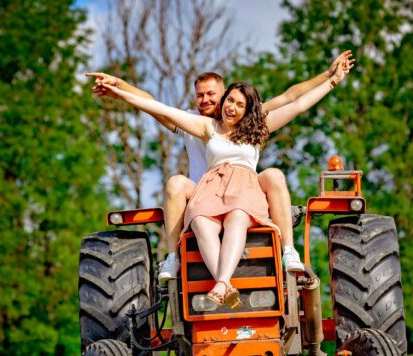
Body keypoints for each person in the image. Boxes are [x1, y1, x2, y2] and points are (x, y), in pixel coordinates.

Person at [94, 61, 351, 307]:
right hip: (208, 191)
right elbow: (158, 107)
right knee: (197, 217)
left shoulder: (257, 124)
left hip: (243, 190)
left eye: (232, 101)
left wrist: (331, 79)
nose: (213, 102)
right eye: (202, 95)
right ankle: (202, 273)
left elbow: (296, 101)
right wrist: (119, 89)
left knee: (242, 212)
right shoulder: (204, 126)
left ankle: (281, 254)